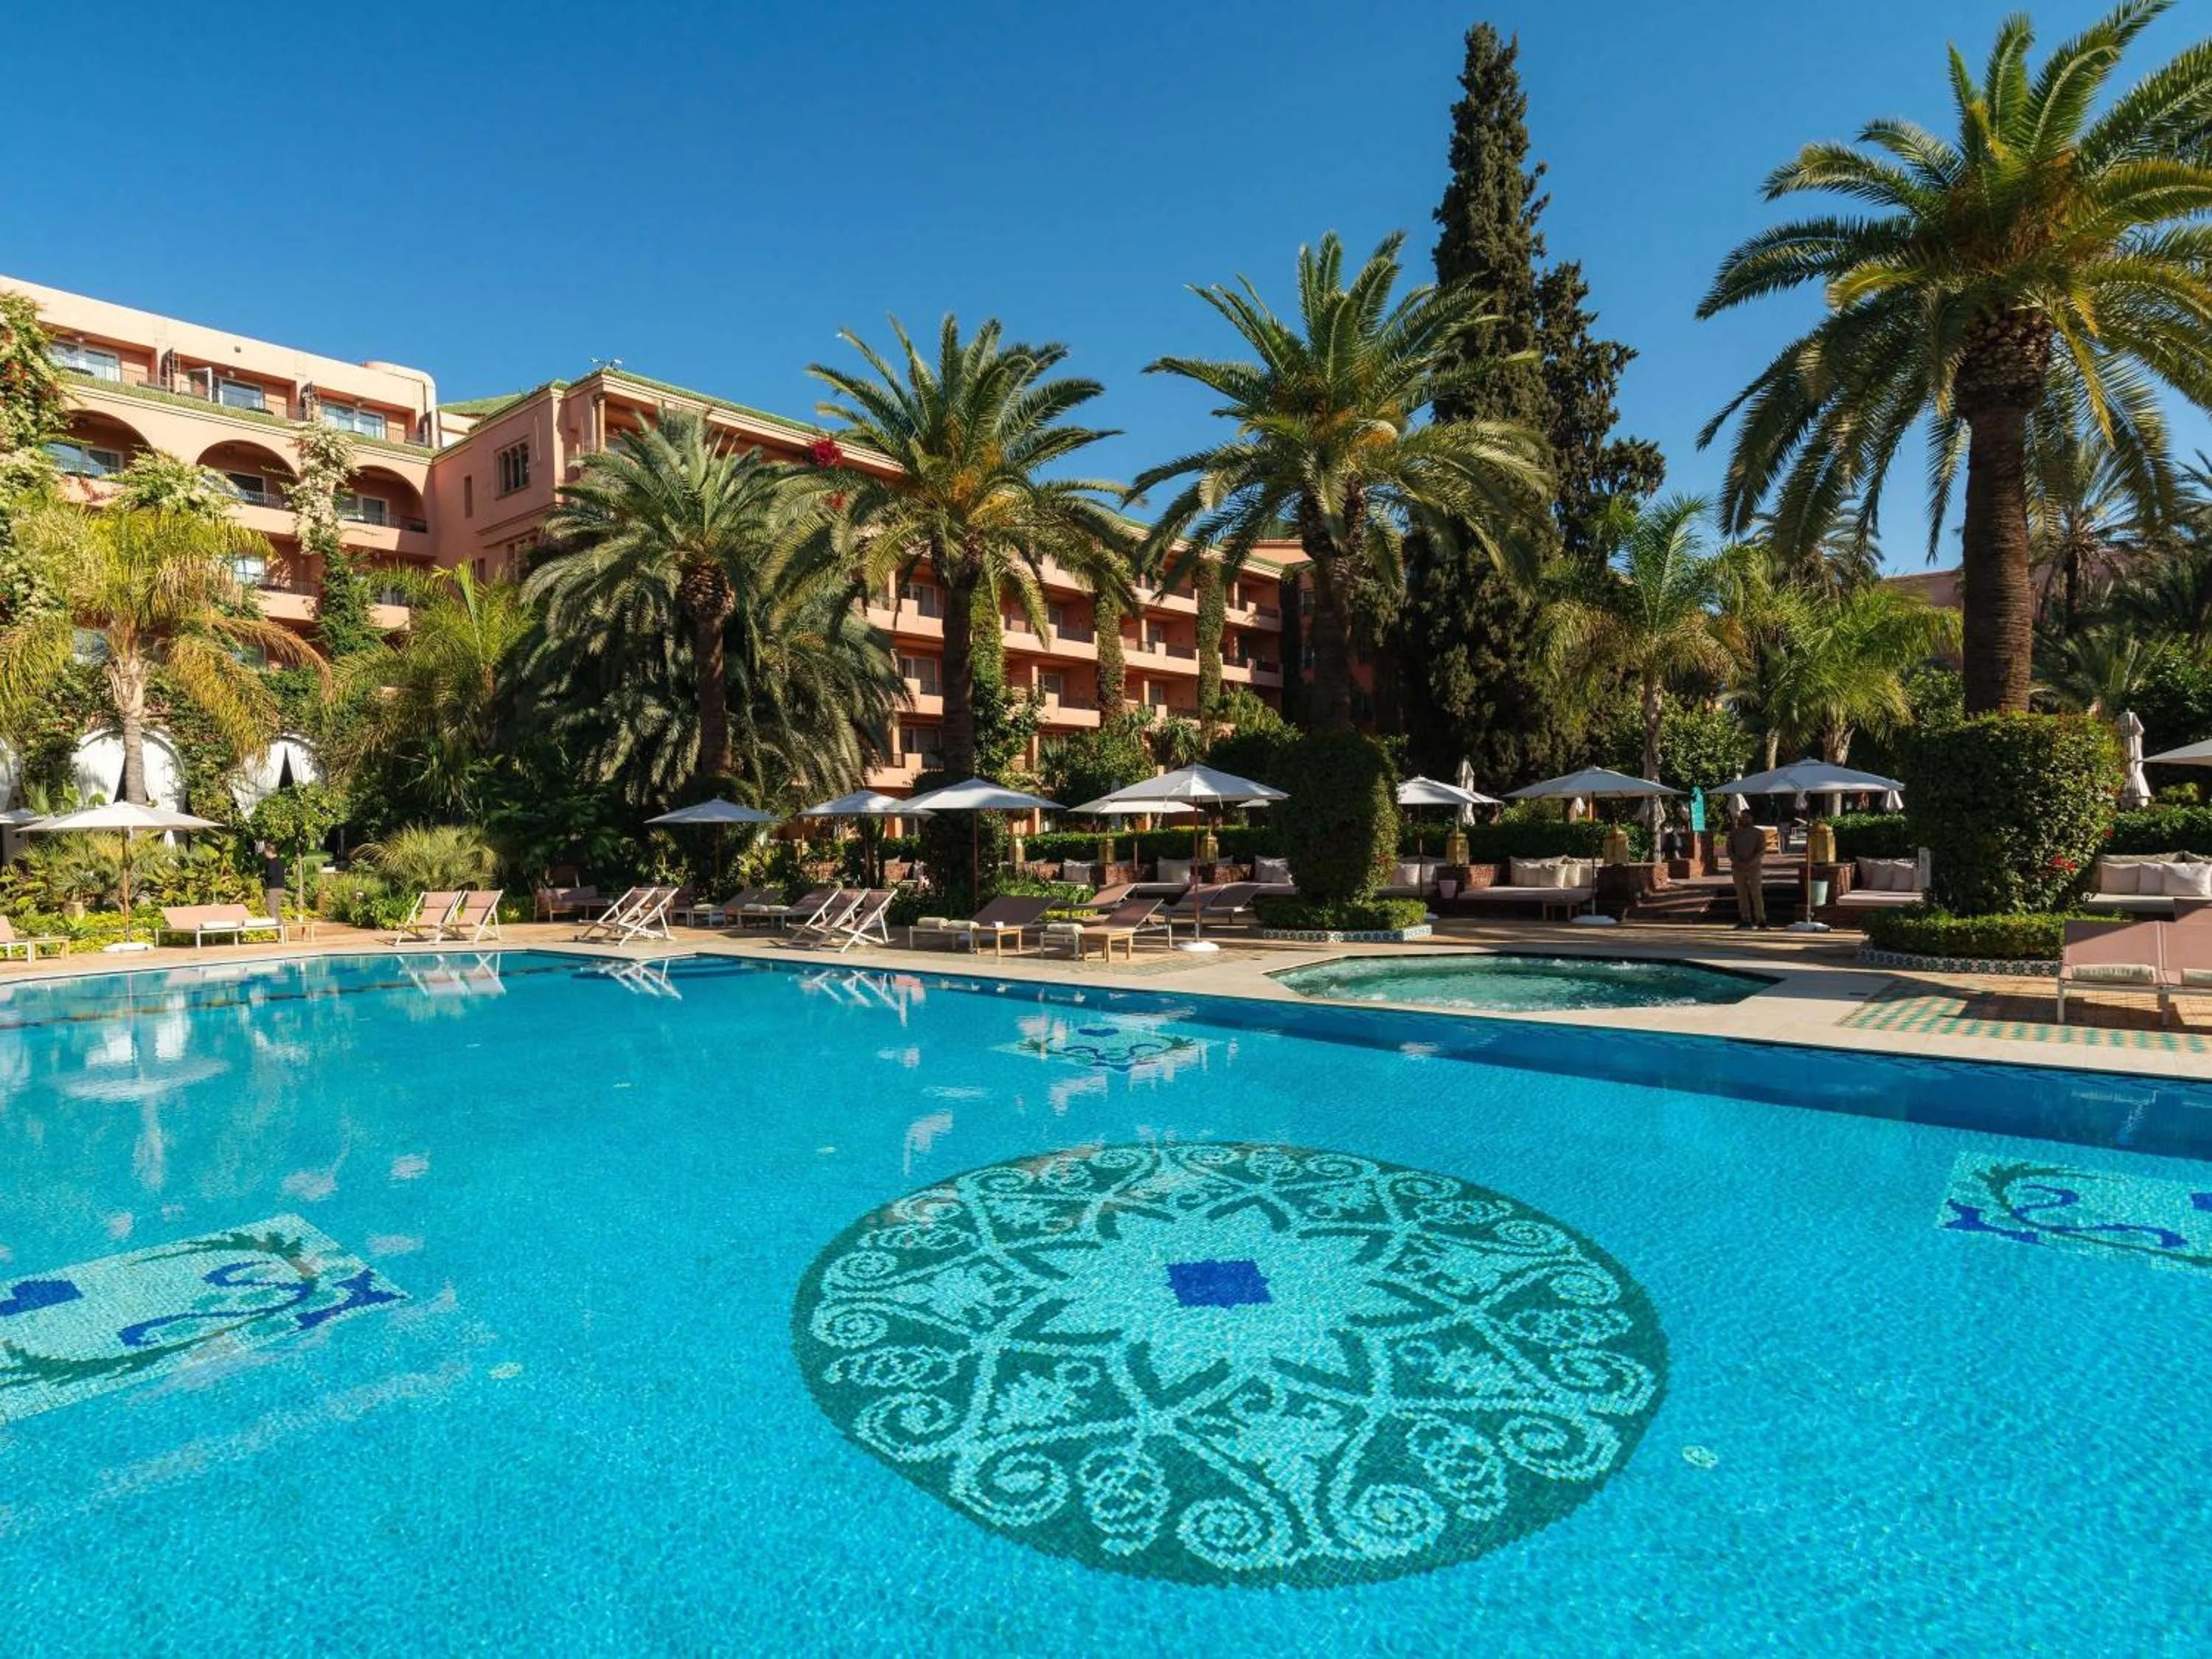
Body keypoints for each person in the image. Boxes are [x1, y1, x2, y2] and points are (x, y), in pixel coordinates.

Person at [1727, 810, 1769, 930]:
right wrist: (1737, 862)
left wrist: (1751, 862)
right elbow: (1729, 850)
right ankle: (1746, 919)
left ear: (1752, 818)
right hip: (1738, 868)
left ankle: (1761, 920)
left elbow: (1761, 850)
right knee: (1742, 895)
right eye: (1743, 817)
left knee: (1756, 894)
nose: (1744, 819)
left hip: (1754, 868)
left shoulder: (1758, 833)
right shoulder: (1734, 834)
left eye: (1747, 817)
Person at [257, 841, 288, 928]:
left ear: (269, 852)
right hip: (281, 888)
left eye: (265, 853)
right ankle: (282, 929)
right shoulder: (281, 861)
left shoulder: (271, 862)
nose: (265, 855)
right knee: (276, 910)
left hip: (273, 889)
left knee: (270, 909)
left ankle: (277, 929)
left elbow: (270, 874)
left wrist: (260, 875)